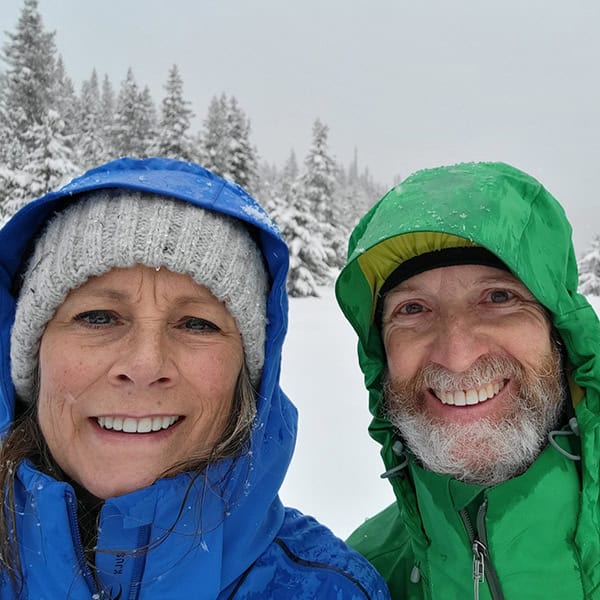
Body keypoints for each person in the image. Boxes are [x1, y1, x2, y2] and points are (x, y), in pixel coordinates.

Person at [0, 157, 389, 599]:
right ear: (32, 356)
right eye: (98, 317)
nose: (145, 366)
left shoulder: (330, 590)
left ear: (247, 377)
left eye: (197, 324)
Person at [335, 161, 600, 599]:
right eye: (413, 309)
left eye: (499, 297)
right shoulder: (362, 580)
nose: (457, 357)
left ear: (562, 335)